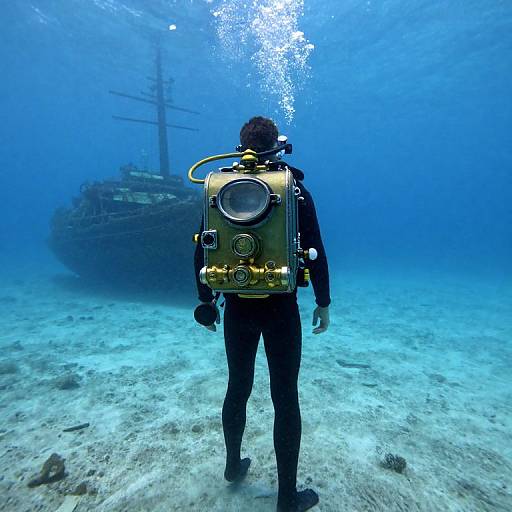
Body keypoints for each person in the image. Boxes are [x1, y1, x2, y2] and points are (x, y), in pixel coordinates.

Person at [193, 116, 330, 512]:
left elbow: (202, 247)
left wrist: (206, 298)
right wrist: (323, 301)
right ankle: (286, 499)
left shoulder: (221, 187)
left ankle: (233, 466)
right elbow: (317, 249)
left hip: (236, 305)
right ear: (277, 145)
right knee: (285, 396)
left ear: (241, 145)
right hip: (281, 308)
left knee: (238, 386)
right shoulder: (294, 191)